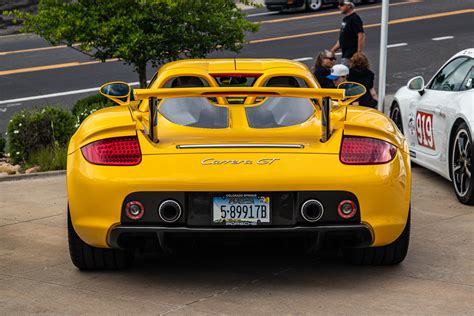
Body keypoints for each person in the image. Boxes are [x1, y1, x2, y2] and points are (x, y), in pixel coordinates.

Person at [331, 0, 365, 67]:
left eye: (341, 4)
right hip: (345, 53)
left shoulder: (355, 18)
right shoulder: (345, 19)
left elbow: (361, 35)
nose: (339, 6)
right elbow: (343, 37)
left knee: (343, 73)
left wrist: (359, 53)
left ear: (349, 5)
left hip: (351, 54)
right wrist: (333, 50)